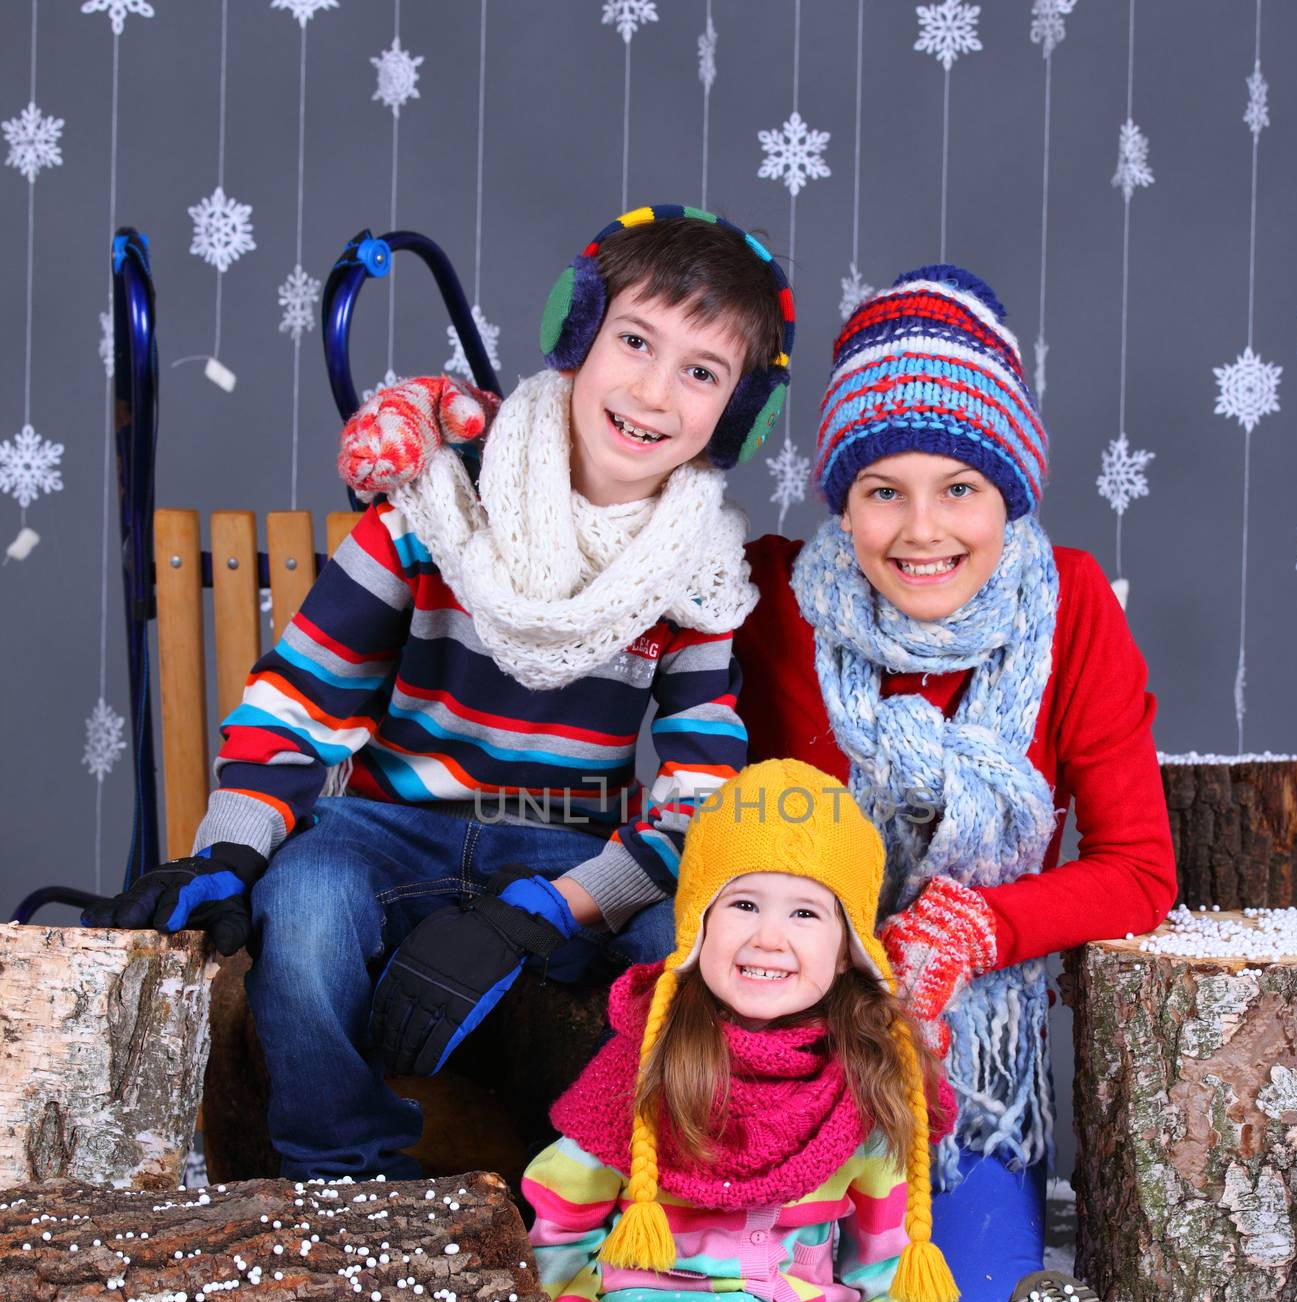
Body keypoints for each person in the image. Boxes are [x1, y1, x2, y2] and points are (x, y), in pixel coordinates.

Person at [84, 205, 795, 1180]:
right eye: (634, 341)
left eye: (701, 372)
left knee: (689, 931)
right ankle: (340, 1171)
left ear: (735, 412)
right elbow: (296, 702)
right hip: (388, 826)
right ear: (580, 338)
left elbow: (696, 800)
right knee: (309, 899)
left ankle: (618, 1177)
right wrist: (231, 853)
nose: (653, 389)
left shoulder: (698, 575)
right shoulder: (435, 507)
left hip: (562, 843)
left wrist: (546, 910)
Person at [733, 267, 1177, 1302]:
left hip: (966, 1067)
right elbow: (616, 509)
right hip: (785, 1039)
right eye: (881, 489)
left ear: (1010, 490)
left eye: (960, 488)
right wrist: (466, 442)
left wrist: (972, 927)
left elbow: (1137, 870)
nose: (920, 530)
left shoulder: (1069, 608)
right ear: (840, 498)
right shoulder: (772, 597)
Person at [525, 759, 1121, 1302]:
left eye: (807, 914)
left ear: (849, 947)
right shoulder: (651, 1057)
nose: (769, 937)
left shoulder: (866, 1074)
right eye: (742, 903)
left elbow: (883, 1248)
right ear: (697, 921)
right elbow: (558, 1219)